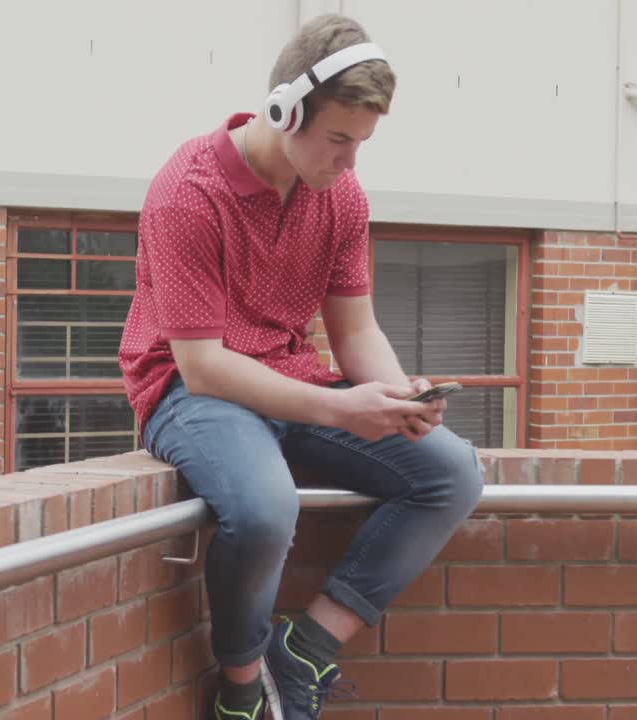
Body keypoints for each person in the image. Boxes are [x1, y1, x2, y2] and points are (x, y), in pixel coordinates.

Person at [118, 13, 484, 720]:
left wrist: (394, 391)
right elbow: (203, 367)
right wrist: (343, 407)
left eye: (362, 143)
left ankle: (308, 647)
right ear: (284, 110)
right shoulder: (187, 192)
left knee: (453, 472)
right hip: (192, 393)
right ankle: (243, 688)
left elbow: (356, 330)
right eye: (338, 140)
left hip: (294, 379)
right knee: (263, 510)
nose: (348, 163)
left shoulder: (340, 196)